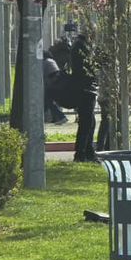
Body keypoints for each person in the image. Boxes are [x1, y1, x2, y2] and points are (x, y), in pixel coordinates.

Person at [71, 29, 99, 162]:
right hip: (85, 89)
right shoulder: (82, 47)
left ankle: (87, 151)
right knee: (87, 122)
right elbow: (88, 67)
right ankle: (81, 153)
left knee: (89, 122)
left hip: (84, 88)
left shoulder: (79, 45)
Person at [42, 51, 68, 124]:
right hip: (58, 83)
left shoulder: (45, 62)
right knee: (47, 102)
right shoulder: (51, 61)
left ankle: (61, 117)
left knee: (48, 101)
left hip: (52, 84)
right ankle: (56, 117)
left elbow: (41, 74)